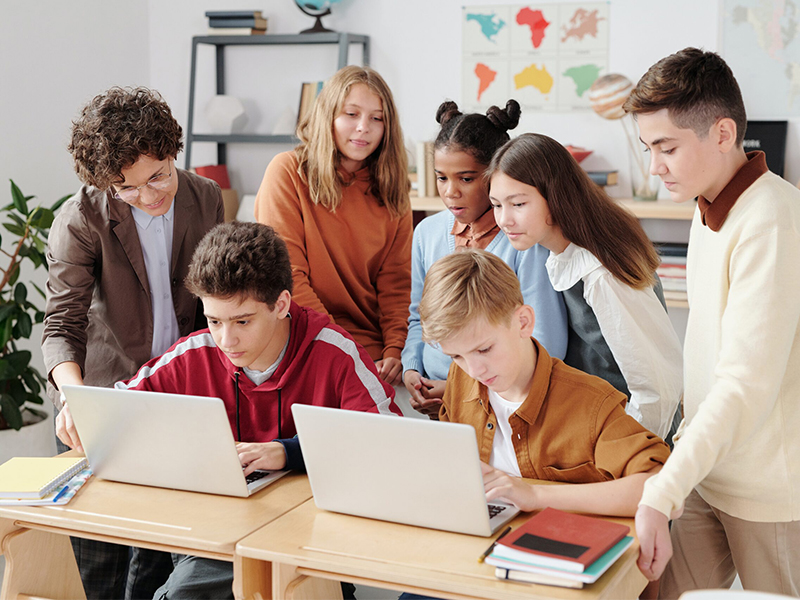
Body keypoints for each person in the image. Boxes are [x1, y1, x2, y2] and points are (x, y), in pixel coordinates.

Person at [115, 221, 401, 599]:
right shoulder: (195, 352)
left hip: (308, 544)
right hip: (214, 539)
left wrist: (289, 452)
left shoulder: (334, 351)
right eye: (214, 321)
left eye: (242, 321)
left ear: (281, 305)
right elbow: (118, 411)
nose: (226, 340)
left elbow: (389, 444)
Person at [624, 47, 800, 596]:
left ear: (723, 134)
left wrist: (660, 490)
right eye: (647, 148)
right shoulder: (707, 206)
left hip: (769, 492)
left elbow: (744, 384)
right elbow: (705, 356)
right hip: (707, 473)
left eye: (667, 147)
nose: (655, 167)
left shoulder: (771, 219)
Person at [42, 86, 224, 600]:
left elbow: (217, 298)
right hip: (101, 403)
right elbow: (61, 326)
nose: (148, 196)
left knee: (160, 562)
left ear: (173, 151)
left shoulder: (204, 197)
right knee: (98, 568)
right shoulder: (81, 218)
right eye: (127, 188)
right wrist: (75, 401)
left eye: (158, 176)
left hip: (177, 402)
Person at [418, 250, 670, 516]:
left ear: (523, 322)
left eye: (484, 350)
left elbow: (658, 485)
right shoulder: (462, 378)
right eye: (456, 356)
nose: (474, 370)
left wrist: (535, 494)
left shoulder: (592, 403)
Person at [486, 133, 683, 442]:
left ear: (555, 195)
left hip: (634, 444)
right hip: (597, 431)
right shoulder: (561, 253)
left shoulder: (600, 272)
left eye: (518, 203)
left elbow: (656, 389)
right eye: (497, 205)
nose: (504, 220)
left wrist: (631, 458)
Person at [401, 100, 567, 417]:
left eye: (466, 178)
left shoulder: (525, 242)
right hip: (435, 401)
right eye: (441, 178)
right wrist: (412, 369)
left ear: (496, 176)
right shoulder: (426, 233)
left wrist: (460, 388)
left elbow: (546, 344)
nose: (450, 192)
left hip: (504, 404)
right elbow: (418, 318)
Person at [254, 65, 412, 389]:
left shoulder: (393, 189)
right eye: (351, 114)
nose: (363, 128)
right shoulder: (287, 172)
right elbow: (289, 276)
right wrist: (342, 349)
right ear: (328, 115)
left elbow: (397, 283)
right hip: (303, 339)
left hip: (373, 352)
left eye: (377, 118)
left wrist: (396, 350)